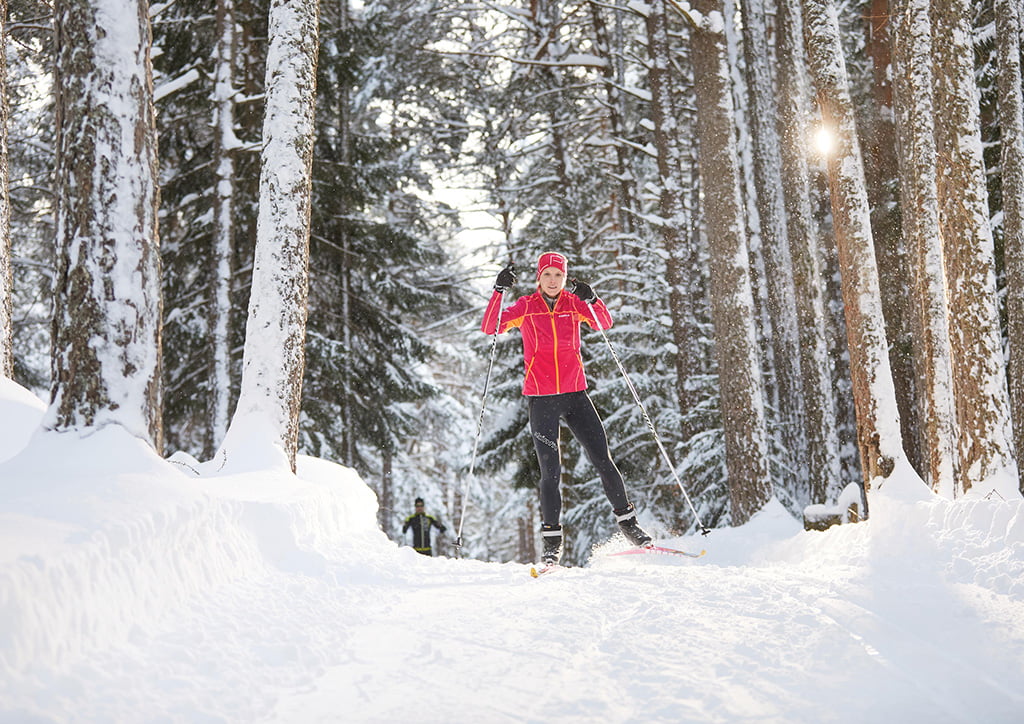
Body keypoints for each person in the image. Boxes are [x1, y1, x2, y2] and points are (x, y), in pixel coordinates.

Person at [481, 251, 652, 566]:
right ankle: (551, 545)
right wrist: (498, 292)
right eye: (547, 275)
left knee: (602, 459)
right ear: (539, 278)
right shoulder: (526, 308)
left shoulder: (573, 305)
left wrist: (593, 299)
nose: (553, 281)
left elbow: (604, 322)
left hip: (575, 395)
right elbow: (490, 327)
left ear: (564, 278)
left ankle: (629, 525)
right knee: (550, 473)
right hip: (542, 399)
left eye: (558, 275)